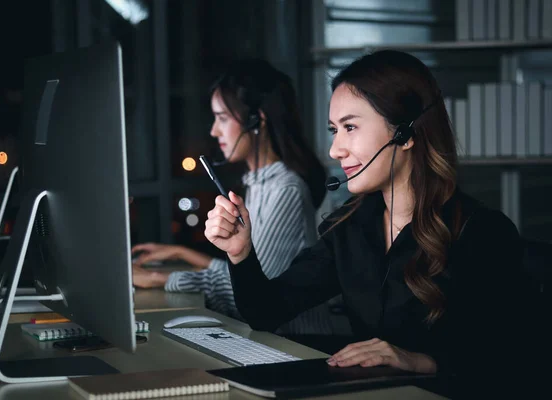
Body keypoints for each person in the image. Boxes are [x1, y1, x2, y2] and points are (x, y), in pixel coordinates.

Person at [204, 50, 542, 394]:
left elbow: (513, 359)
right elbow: (267, 311)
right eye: (334, 130)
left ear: (406, 135)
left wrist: (421, 361)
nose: (336, 149)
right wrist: (240, 253)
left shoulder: (481, 231)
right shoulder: (350, 227)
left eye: (350, 127)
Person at [132, 58, 338, 336]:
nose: (213, 131)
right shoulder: (259, 183)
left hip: (297, 345)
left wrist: (160, 279)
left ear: (256, 120)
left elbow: (248, 292)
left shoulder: (285, 189)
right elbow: (245, 270)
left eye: (222, 118)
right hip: (268, 339)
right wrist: (182, 253)